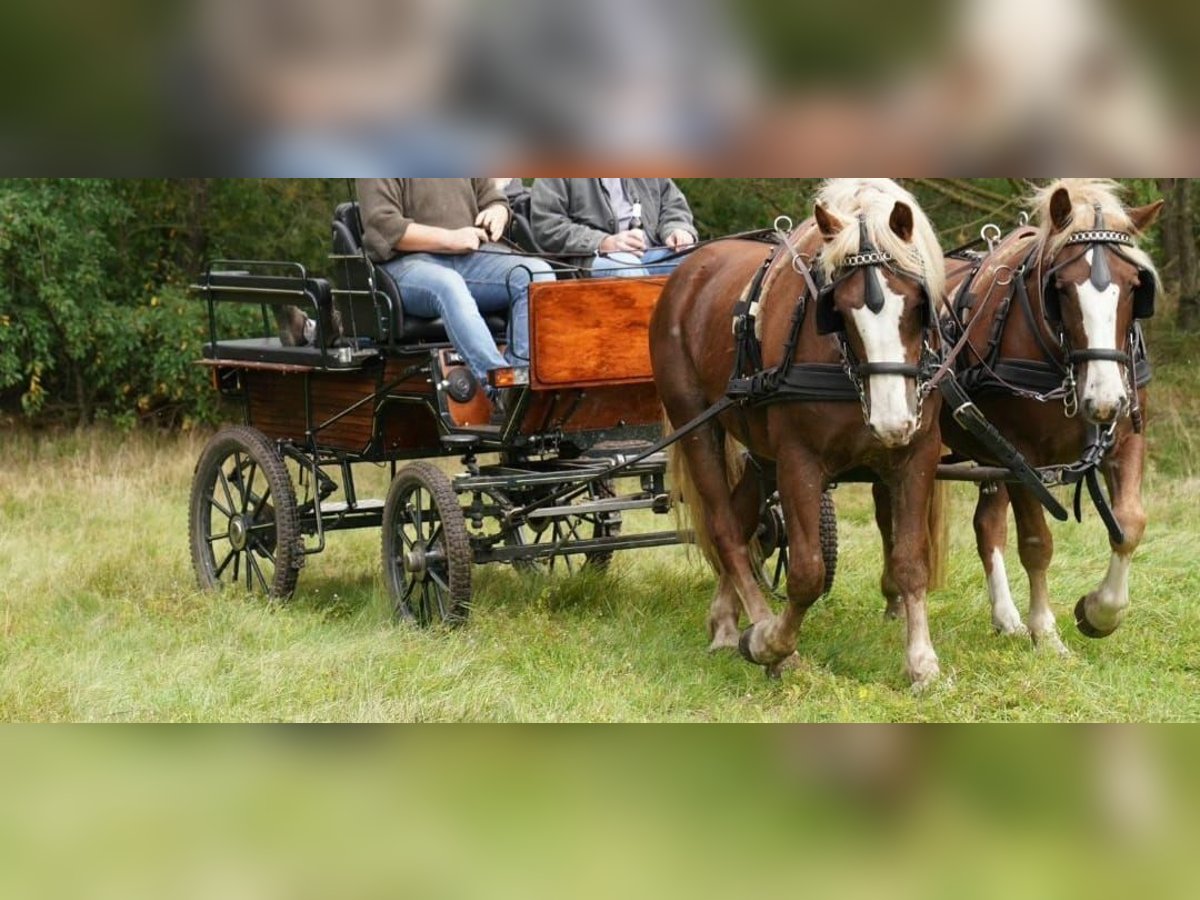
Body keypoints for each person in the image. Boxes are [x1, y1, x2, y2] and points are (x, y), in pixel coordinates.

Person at [356, 178, 554, 391]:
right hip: (405, 264)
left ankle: (524, 384)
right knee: (449, 284)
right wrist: (450, 239)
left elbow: (494, 199)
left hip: (469, 257)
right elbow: (384, 227)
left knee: (536, 274)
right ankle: (503, 388)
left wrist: (498, 212)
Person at [530, 178, 698, 277]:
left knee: (700, 263)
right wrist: (603, 242)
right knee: (627, 269)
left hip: (653, 251)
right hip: (591, 259)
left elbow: (673, 204)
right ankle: (644, 336)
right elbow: (547, 226)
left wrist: (677, 229)